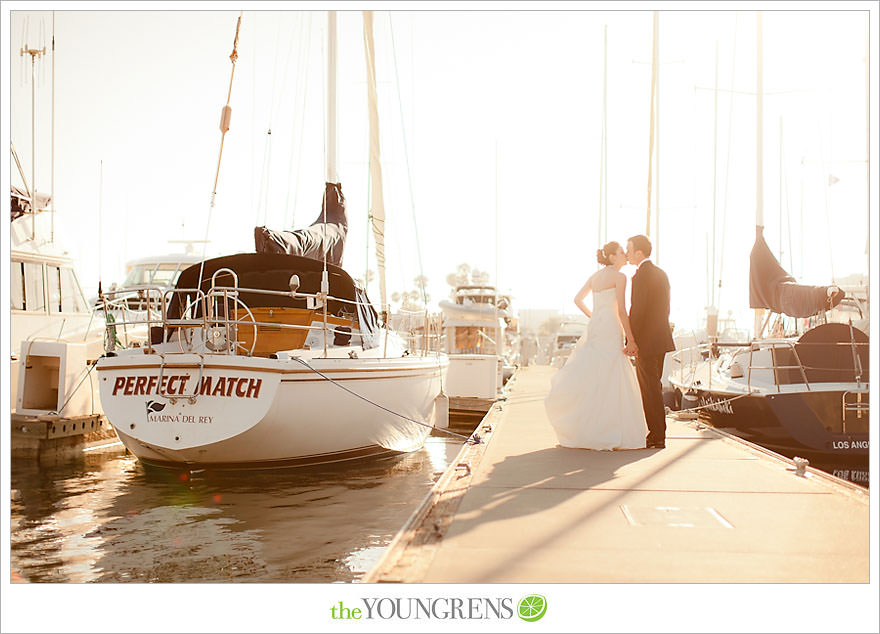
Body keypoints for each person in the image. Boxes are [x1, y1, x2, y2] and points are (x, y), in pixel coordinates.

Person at [544, 241, 648, 450]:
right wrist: (631, 338)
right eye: (621, 252)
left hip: (596, 327)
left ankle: (588, 429)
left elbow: (577, 299)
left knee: (594, 374)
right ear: (612, 257)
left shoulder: (595, 277)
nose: (624, 255)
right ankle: (607, 428)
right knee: (611, 373)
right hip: (610, 327)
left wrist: (594, 316)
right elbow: (621, 310)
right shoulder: (620, 277)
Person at [624, 234, 675, 449]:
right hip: (661, 338)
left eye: (629, 249)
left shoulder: (640, 276)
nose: (626, 253)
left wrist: (631, 340)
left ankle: (656, 436)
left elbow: (637, 311)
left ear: (639, 252)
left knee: (650, 389)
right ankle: (658, 433)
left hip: (646, 341)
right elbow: (666, 308)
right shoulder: (661, 274)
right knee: (655, 386)